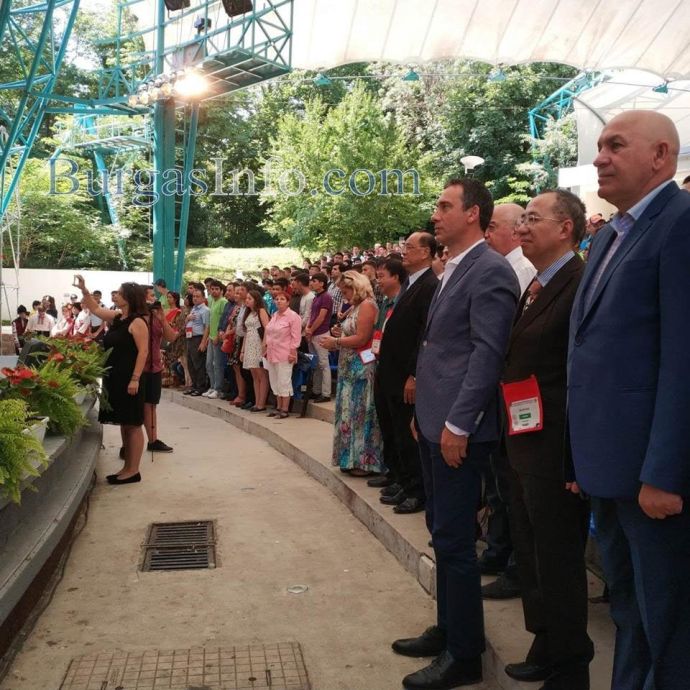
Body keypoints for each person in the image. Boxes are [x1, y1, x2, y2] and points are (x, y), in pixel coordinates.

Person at [568, 111, 690, 690]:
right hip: (609, 471)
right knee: (628, 611)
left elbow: (683, 361)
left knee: (667, 623)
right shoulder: (609, 235)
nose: (599, 157)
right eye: (599, 146)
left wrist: (665, 473)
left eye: (615, 145)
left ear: (661, 156)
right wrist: (580, 459)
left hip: (651, 479)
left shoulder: (680, 225)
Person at [393, 178, 519, 690]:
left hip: (458, 430)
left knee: (456, 540)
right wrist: (426, 410)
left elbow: (487, 355)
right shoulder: (455, 267)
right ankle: (449, 628)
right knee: (442, 532)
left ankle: (464, 654)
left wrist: (458, 423)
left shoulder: (489, 270)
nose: (435, 214)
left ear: (473, 214)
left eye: (445, 205)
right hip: (435, 421)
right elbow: (441, 349)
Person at [502, 190, 592, 690]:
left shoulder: (579, 283)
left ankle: (570, 663)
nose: (522, 228)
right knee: (531, 549)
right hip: (523, 440)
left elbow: (582, 377)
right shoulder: (536, 285)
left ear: (565, 228)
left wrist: (577, 459)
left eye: (533, 219)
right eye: (521, 220)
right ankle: (546, 642)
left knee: (557, 557)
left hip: (555, 448)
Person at [374, 235, 438, 515]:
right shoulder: (411, 283)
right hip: (391, 371)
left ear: (425, 252)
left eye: (410, 248)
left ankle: (416, 489)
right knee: (394, 429)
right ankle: (402, 478)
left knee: (406, 432)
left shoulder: (430, 285)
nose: (404, 252)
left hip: (406, 375)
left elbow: (424, 334)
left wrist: (414, 374)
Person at [75, 277, 148, 484]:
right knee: (125, 422)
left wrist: (135, 379)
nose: (115, 295)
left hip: (129, 378)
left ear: (129, 297)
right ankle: (127, 467)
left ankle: (133, 470)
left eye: (119, 293)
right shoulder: (117, 317)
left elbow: (143, 352)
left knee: (133, 423)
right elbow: (95, 309)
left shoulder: (138, 322)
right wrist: (84, 290)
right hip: (115, 377)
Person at [318, 270, 382, 476]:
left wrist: (336, 341)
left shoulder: (368, 305)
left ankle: (364, 462)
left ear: (356, 288)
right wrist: (341, 333)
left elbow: (362, 338)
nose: (344, 295)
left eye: (346, 291)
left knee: (360, 413)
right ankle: (350, 458)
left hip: (361, 367)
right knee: (349, 412)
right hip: (349, 365)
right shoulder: (356, 306)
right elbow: (352, 332)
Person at [263, 291, 301, 418]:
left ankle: (285, 409)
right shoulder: (275, 315)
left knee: (284, 381)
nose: (279, 301)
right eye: (277, 299)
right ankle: (278, 407)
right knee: (274, 381)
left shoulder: (293, 316)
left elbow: (296, 337)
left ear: (288, 302)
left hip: (285, 354)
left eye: (282, 299)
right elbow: (269, 333)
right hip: (271, 353)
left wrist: (293, 353)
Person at [485, 203, 536, 293]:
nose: (485, 235)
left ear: (515, 233)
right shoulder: (504, 266)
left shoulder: (523, 269)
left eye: (491, 227)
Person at [240, 288, 270, 412]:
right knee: (254, 374)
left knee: (261, 374)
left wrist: (264, 344)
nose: (247, 300)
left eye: (250, 298)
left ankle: (261, 403)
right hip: (249, 344)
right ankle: (257, 402)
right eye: (246, 298)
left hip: (258, 343)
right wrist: (242, 350)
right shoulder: (249, 313)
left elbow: (267, 328)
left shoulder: (261, 311)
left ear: (256, 300)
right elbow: (246, 333)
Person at [305, 272, 334, 403]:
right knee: (316, 364)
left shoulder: (326, 297)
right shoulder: (316, 297)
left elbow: (322, 317)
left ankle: (326, 393)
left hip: (321, 333)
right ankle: (316, 390)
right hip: (313, 333)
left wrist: (311, 330)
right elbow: (312, 315)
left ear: (322, 283)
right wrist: (308, 329)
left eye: (314, 281)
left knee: (323, 364)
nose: (311, 283)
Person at [203, 280, 228, 399]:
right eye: (212, 289)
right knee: (209, 364)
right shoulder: (212, 301)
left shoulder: (223, 302)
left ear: (221, 291)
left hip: (218, 338)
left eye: (216, 289)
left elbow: (223, 320)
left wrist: (218, 335)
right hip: (211, 337)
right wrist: (209, 336)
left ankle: (218, 389)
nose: (214, 291)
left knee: (217, 364)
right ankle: (212, 386)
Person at [185, 288, 210, 396]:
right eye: (194, 296)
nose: (195, 298)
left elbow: (207, 327)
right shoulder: (193, 309)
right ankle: (194, 385)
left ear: (203, 298)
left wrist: (203, 342)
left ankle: (201, 387)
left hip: (198, 338)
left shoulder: (205, 310)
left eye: (197, 296)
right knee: (190, 363)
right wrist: (188, 318)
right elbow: (187, 323)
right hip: (190, 337)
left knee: (198, 363)